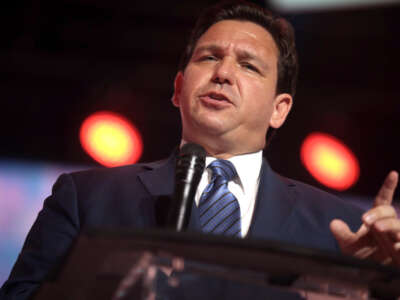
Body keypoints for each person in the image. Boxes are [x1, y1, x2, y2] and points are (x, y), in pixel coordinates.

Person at [1, 1, 399, 299]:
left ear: (280, 110)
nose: (223, 73)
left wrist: (384, 284)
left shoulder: (340, 228)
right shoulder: (85, 197)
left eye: (248, 66)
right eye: (209, 57)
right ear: (178, 89)